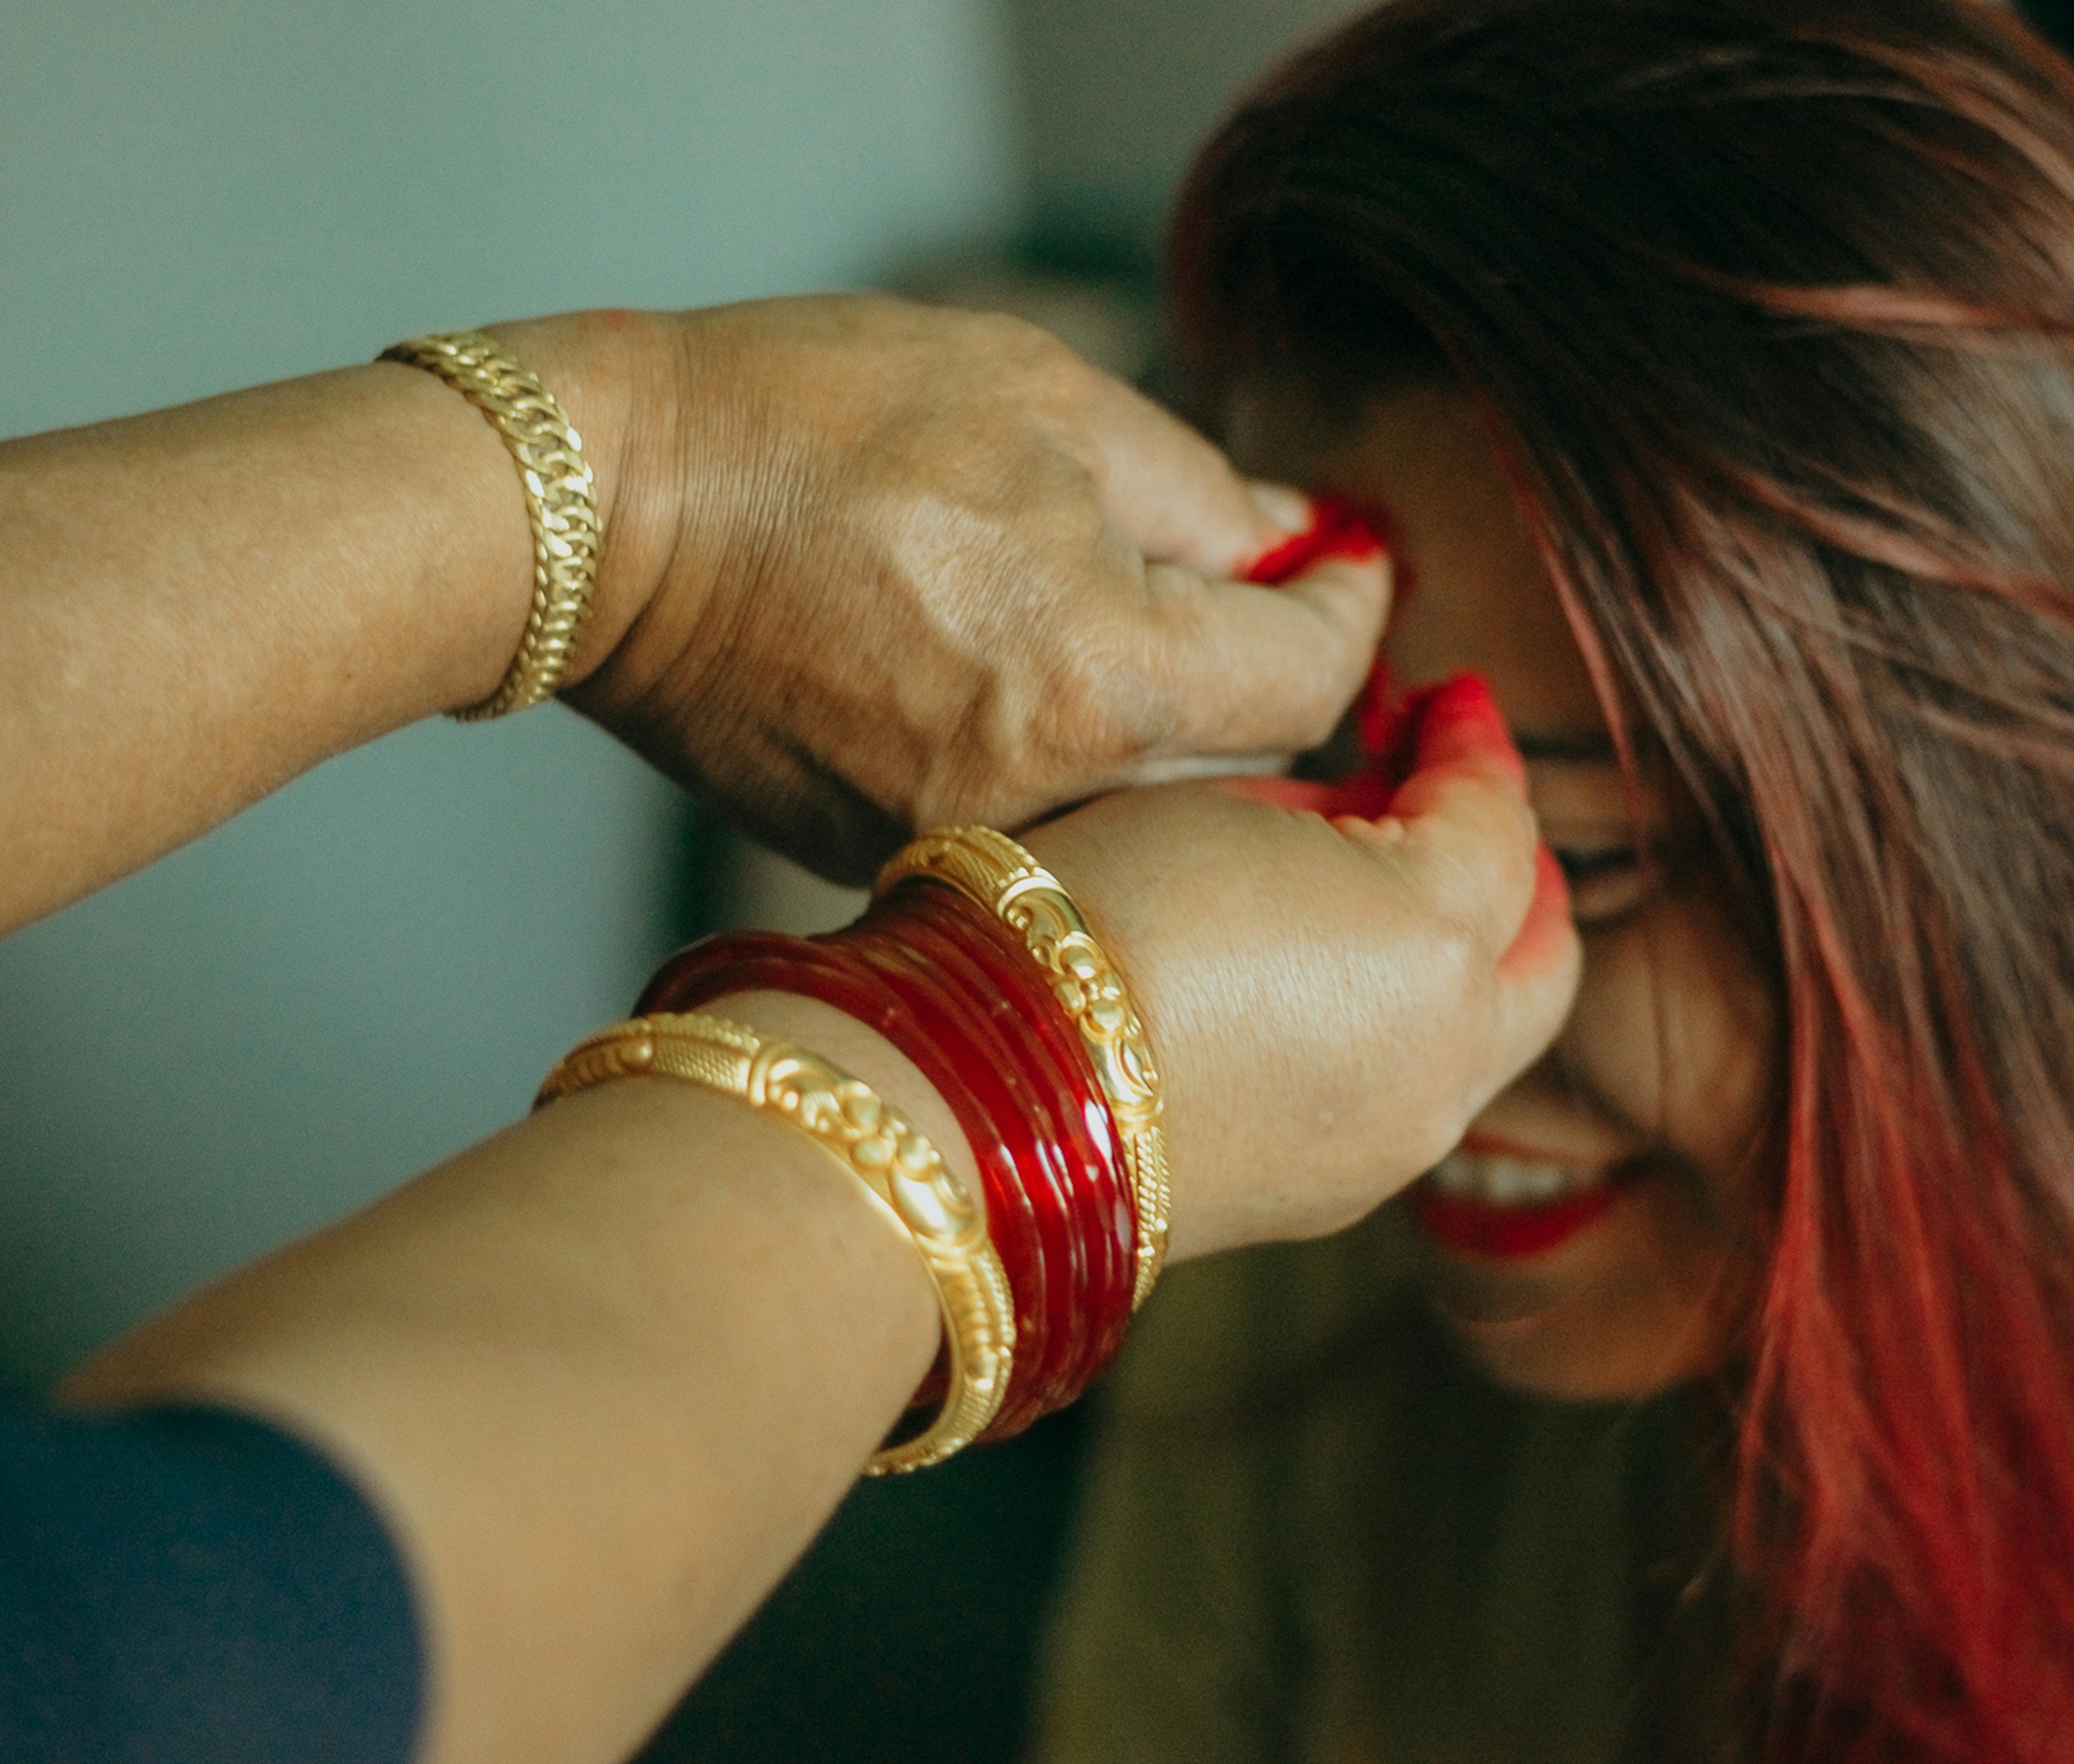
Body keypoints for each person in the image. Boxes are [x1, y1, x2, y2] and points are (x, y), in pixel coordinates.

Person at [1031, 4, 2074, 1763]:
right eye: (1312, 789)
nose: (1378, 978)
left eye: (1581, 853)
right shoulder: (1312, 1108)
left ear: (2019, 853)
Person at [0, 292, 1579, 1764]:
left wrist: (653, 484)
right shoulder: (1291, 1342)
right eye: (1341, 801)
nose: (1432, 970)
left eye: (1604, 852)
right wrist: (1023, 1069)